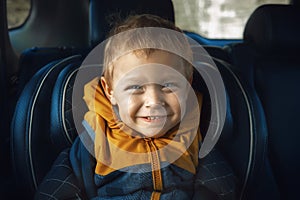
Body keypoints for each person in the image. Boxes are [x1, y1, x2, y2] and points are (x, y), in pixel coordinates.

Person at [35, 14, 236, 200]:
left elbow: (220, 189)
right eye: (136, 87)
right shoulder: (95, 138)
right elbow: (56, 191)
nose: (154, 101)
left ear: (188, 85)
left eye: (169, 86)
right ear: (110, 91)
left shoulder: (192, 136)